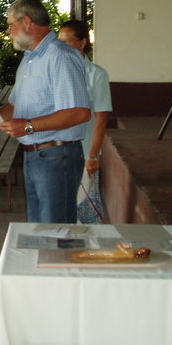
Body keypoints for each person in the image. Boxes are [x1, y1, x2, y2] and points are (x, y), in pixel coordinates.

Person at [0, 0, 91, 224]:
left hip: (57, 157)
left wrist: (28, 126)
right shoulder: (29, 59)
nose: (9, 31)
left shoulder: (61, 56)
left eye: (11, 25)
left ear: (27, 22)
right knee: (38, 229)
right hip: (34, 156)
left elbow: (79, 112)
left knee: (55, 231)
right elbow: (13, 107)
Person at [58, 20, 112, 224]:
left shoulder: (96, 75)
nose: (62, 48)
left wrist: (93, 156)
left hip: (84, 149)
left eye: (67, 42)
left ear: (82, 43)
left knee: (84, 204)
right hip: (59, 149)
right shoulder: (58, 73)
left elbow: (101, 120)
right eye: (59, 42)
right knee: (62, 205)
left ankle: (86, 243)